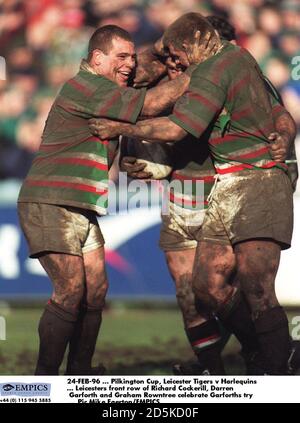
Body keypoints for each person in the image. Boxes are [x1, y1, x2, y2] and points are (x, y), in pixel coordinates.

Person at [89, 13, 297, 375]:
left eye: (175, 56)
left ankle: (273, 360)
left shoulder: (228, 71)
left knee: (250, 286)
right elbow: (132, 78)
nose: (171, 65)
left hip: (235, 182)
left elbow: (174, 122)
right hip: (188, 191)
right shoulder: (179, 70)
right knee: (194, 292)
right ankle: (224, 365)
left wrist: (285, 154)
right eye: (168, 57)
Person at [17, 24, 199, 376]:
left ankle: (81, 373)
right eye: (121, 57)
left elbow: (145, 75)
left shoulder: (107, 86)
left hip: (81, 204)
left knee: (96, 289)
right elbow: (151, 104)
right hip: (50, 200)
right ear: (97, 58)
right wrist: (204, 76)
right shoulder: (87, 86)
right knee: (70, 290)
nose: (130, 64)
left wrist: (163, 50)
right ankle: (45, 380)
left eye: (131, 57)